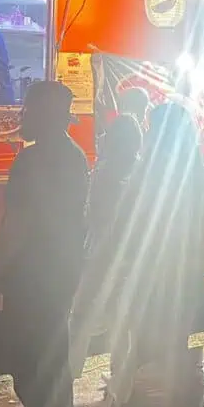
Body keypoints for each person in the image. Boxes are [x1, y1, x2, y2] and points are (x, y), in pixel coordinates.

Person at [0, 81, 88, 407]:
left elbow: (18, 224)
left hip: (32, 274)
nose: (22, 115)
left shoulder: (31, 160)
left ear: (44, 115)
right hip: (63, 269)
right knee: (51, 353)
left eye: (28, 109)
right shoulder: (75, 154)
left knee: (28, 359)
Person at [107, 104, 204, 407]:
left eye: (150, 128)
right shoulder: (199, 174)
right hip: (188, 274)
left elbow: (124, 229)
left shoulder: (146, 177)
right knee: (175, 347)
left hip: (151, 276)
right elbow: (202, 222)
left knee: (142, 350)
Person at [69, 114, 142, 379]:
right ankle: (121, 378)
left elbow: (91, 214)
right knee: (123, 322)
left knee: (80, 317)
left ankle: (71, 373)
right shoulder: (140, 171)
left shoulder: (103, 172)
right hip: (130, 256)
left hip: (100, 253)